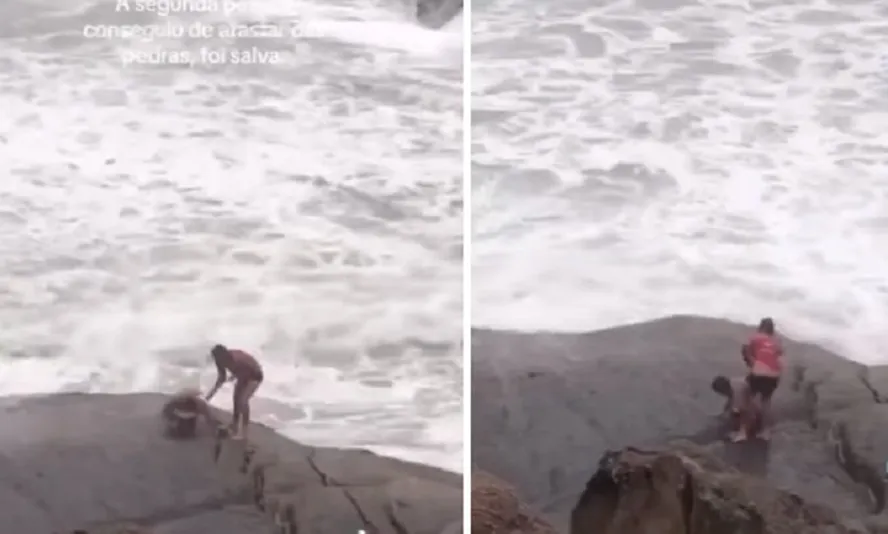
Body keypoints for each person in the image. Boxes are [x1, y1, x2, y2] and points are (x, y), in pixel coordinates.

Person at [734, 317, 783, 442]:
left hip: (759, 372)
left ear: (760, 327)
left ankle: (743, 432)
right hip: (774, 375)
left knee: (745, 395)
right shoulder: (776, 341)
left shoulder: (755, 337)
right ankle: (765, 432)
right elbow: (779, 356)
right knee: (766, 401)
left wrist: (752, 363)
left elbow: (745, 350)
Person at [204, 344, 264, 440]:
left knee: (242, 401)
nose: (220, 362)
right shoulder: (219, 360)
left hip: (255, 375)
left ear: (226, 355)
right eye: (217, 359)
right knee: (236, 398)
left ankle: (244, 433)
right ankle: (235, 426)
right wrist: (208, 397)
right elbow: (221, 378)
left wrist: (235, 375)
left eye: (222, 359)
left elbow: (245, 377)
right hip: (242, 372)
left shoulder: (238, 361)